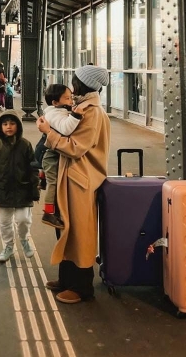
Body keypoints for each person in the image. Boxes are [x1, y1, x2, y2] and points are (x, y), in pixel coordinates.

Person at [36, 65, 110, 304]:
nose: (72, 84)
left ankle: (82, 288)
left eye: (75, 80)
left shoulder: (92, 112)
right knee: (66, 229)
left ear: (83, 83)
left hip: (81, 178)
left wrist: (48, 132)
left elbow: (76, 148)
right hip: (70, 176)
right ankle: (67, 280)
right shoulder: (80, 107)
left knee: (80, 233)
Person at [0, 111, 40, 262]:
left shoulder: (25, 145)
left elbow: (33, 168)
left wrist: (35, 189)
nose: (9, 127)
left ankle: (24, 240)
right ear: (0, 127)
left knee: (23, 219)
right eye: (5, 124)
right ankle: (8, 246)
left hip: (23, 189)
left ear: (18, 126)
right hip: (3, 190)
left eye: (12, 123)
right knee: (4, 222)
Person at [40, 84, 82, 230]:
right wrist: (76, 116)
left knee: (53, 180)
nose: (71, 101)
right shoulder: (55, 114)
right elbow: (65, 128)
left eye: (71, 97)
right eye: (67, 98)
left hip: (51, 155)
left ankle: (42, 178)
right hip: (52, 157)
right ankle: (49, 212)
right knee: (54, 183)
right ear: (55, 103)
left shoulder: (57, 111)